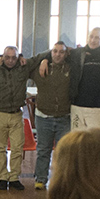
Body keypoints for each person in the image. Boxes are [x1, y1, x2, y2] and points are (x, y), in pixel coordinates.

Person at [32, 41, 79, 190]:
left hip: (64, 117)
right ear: (51, 53)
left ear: (66, 54)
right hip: (43, 116)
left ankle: (61, 181)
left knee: (63, 152)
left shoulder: (72, 69)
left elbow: (80, 56)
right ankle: (40, 179)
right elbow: (27, 63)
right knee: (43, 150)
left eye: (61, 52)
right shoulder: (40, 69)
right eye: (55, 51)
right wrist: (43, 60)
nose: (58, 54)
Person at [0, 45, 30, 191]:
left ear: (18, 57)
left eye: (14, 57)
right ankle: (2, 177)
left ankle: (14, 177)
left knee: (17, 148)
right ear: (2, 57)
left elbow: (39, 58)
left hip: (16, 114)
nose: (10, 60)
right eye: (7, 57)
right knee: (1, 149)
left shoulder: (23, 69)